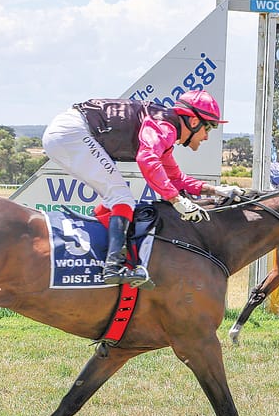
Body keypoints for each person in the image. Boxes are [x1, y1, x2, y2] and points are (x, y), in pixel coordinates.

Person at [42, 89, 244, 287]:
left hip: (69, 133)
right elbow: (146, 159)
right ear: (193, 122)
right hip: (73, 133)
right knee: (121, 198)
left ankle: (100, 253)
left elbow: (176, 178)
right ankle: (113, 267)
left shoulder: (165, 133)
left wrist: (215, 190)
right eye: (207, 128)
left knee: (115, 199)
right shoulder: (164, 126)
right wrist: (176, 200)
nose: (207, 137)